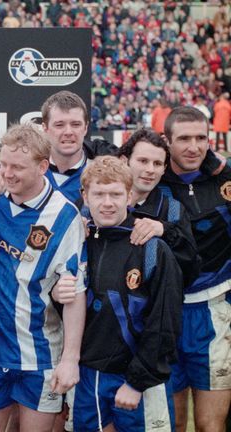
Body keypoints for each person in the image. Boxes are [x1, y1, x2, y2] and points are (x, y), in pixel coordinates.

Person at [0, 124, 87, 432]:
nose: (7, 173)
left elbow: (75, 292)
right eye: (3, 164)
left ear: (42, 166)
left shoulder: (65, 216)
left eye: (17, 167)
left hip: (40, 356)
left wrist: (70, 359)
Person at [61, 156, 182, 432]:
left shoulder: (151, 249)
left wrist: (137, 382)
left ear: (129, 195)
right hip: (89, 377)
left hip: (141, 378)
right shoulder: (75, 244)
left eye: (115, 194)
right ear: (84, 196)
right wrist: (59, 294)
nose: (107, 203)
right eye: (99, 194)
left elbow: (165, 323)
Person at [159, 106, 231, 432]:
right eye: (184, 138)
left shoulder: (226, 176)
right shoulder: (148, 178)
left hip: (215, 312)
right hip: (163, 315)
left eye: (201, 138)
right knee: (171, 422)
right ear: (167, 141)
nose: (194, 147)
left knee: (209, 425)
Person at [0, 90, 116, 206]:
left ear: (85, 128)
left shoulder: (104, 173)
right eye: (59, 125)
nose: (68, 132)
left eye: (75, 124)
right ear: (45, 128)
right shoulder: (17, 172)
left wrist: (141, 220)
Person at [116, 128, 199, 287]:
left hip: (153, 309)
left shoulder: (173, 211)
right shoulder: (98, 203)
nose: (150, 170)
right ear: (124, 161)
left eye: (157, 164)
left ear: (164, 169)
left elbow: (191, 269)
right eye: (143, 161)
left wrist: (166, 231)